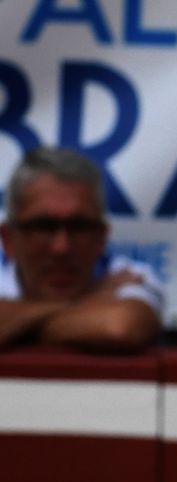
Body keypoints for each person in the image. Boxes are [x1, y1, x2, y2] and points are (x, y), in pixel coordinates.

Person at [0, 147, 164, 356]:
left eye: (79, 227)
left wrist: (12, 324)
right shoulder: (108, 287)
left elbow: (119, 328)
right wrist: (90, 300)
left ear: (102, 238)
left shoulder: (130, 276)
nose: (61, 247)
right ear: (8, 239)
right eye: (43, 227)